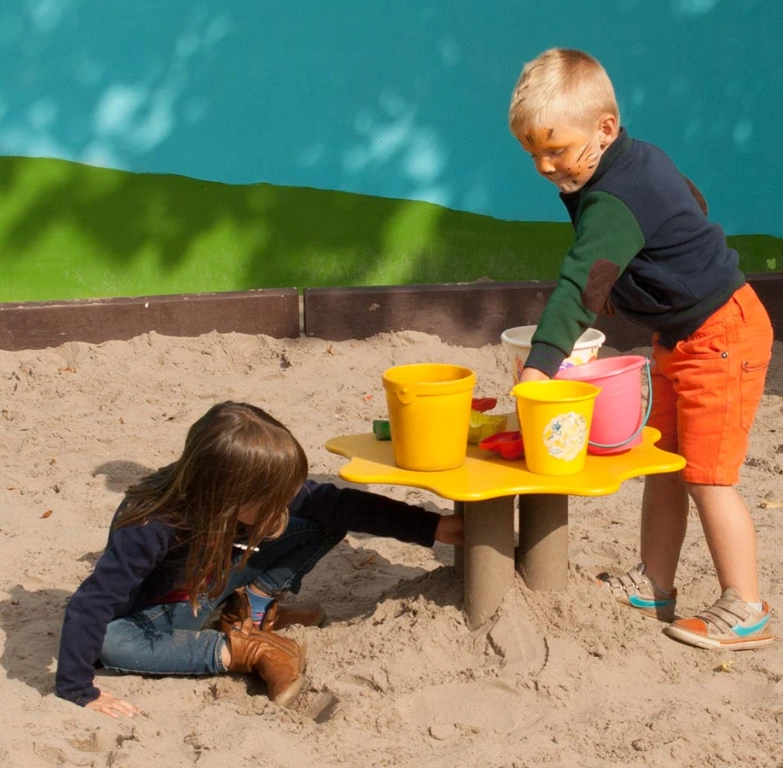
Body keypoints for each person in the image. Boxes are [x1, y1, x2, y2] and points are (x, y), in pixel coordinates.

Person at [508, 48, 773, 650]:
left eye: (557, 149)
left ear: (603, 129)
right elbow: (691, 201)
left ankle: (747, 605)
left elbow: (581, 280)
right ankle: (654, 583)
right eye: (533, 153)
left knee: (708, 476)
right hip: (682, 335)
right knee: (666, 463)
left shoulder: (613, 197)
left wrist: (540, 366)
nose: (546, 166)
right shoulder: (632, 160)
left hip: (721, 336)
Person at [55, 401, 464, 716]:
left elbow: (336, 504)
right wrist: (78, 690)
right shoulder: (148, 523)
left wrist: (429, 528)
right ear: (229, 495)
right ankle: (246, 650)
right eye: (272, 499)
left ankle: (254, 604)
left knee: (326, 516)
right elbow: (93, 602)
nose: (284, 501)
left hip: (214, 577)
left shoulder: (236, 490)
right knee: (109, 642)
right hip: (169, 612)